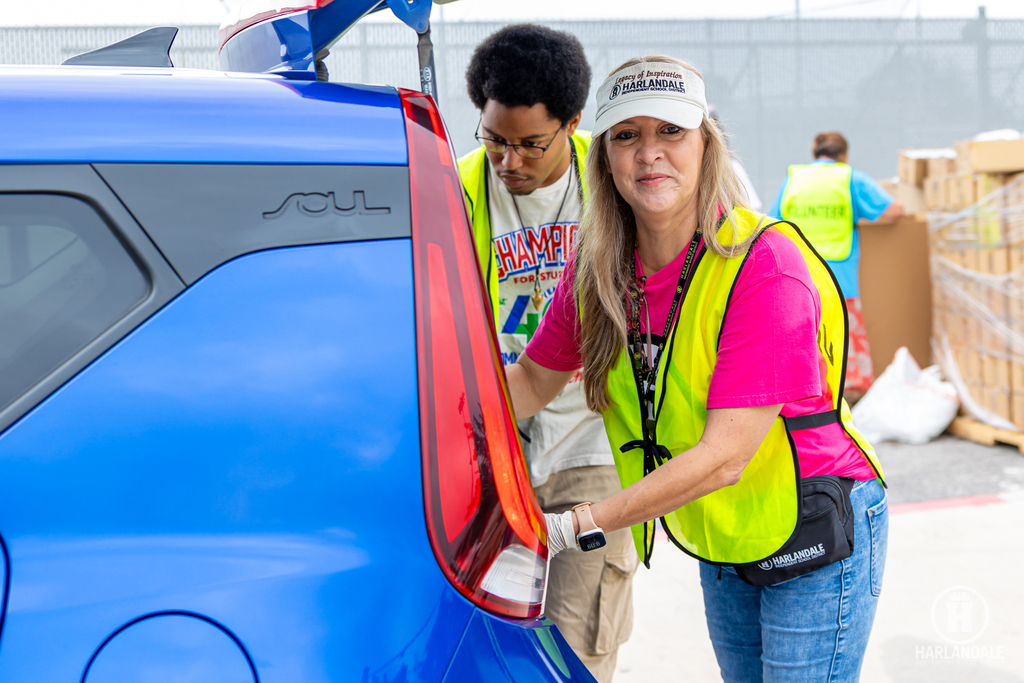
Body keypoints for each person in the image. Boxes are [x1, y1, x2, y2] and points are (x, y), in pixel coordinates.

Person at [505, 55, 890, 683]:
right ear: (603, 157)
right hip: (724, 522)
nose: (649, 153)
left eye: (671, 132)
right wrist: (430, 417)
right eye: (627, 135)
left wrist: (574, 526)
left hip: (816, 518)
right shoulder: (598, 268)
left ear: (706, 147)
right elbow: (529, 384)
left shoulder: (763, 264)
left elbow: (726, 454)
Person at [458, 24, 635, 683]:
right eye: (495, 140)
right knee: (492, 642)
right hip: (496, 448)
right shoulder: (459, 191)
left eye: (532, 145)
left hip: (595, 448)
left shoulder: (614, 186)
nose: (512, 162)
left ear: (572, 125)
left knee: (577, 649)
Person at [769, 132, 904, 402]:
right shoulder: (849, 178)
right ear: (844, 155)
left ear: (814, 151)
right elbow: (893, 210)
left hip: (801, 274)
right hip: (840, 273)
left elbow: (774, 221)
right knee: (844, 335)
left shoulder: (794, 179)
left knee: (808, 334)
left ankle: (810, 393)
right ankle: (847, 394)